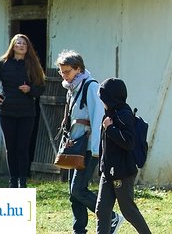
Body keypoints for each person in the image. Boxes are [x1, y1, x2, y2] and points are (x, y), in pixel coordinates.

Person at [56, 50, 121, 234]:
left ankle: (111, 218)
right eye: (61, 71)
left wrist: (95, 151)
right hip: (74, 146)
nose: (63, 75)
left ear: (78, 69)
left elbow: (98, 118)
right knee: (73, 193)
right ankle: (79, 230)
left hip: (88, 148)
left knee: (78, 190)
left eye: (67, 71)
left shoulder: (90, 87)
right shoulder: (71, 88)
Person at [0, 33, 45, 188]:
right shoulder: (4, 63)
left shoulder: (33, 64)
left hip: (27, 113)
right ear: (13, 46)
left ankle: (23, 181)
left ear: (27, 47)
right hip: (7, 112)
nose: (21, 45)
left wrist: (30, 89)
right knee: (10, 148)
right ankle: (13, 181)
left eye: (24, 43)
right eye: (18, 43)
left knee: (22, 147)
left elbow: (41, 88)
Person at [95, 78, 152, 234]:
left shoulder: (123, 114)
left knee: (128, 210)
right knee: (102, 210)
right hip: (108, 171)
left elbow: (129, 142)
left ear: (110, 98)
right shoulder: (110, 114)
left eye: (104, 99)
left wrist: (110, 128)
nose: (102, 102)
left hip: (122, 171)